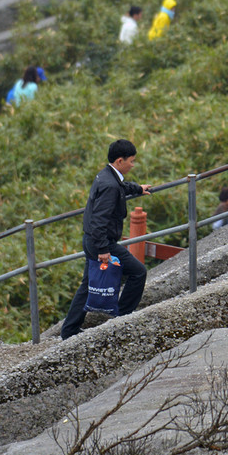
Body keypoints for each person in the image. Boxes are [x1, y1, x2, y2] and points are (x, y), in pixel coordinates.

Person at [62, 140, 152, 340]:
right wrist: (103, 249)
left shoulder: (106, 175)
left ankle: (69, 330)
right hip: (101, 243)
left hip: (92, 240)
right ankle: (120, 319)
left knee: (87, 285)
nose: (133, 165)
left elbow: (120, 188)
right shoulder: (110, 185)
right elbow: (99, 220)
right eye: (131, 161)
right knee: (138, 272)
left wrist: (137, 188)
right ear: (120, 161)